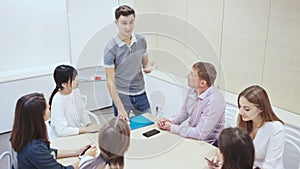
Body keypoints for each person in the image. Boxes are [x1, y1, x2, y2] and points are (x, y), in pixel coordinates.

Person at [10, 93, 93, 169]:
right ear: (39, 116)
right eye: (47, 107)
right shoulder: (34, 149)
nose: (49, 106)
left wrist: (77, 151)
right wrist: (86, 159)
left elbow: (48, 153)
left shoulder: (25, 134)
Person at [104, 5, 154, 121]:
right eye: (124, 23)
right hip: (121, 95)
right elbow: (109, 81)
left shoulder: (141, 40)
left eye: (131, 22)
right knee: (123, 132)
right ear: (116, 23)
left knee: (148, 124)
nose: (128, 27)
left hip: (140, 93)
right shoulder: (111, 48)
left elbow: (145, 61)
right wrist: (120, 108)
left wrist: (148, 66)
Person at [157, 62, 225, 145]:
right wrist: (170, 121)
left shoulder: (214, 100)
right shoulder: (192, 91)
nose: (187, 76)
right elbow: (183, 113)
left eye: (192, 74)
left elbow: (200, 134)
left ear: (202, 83)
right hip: (192, 138)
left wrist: (171, 127)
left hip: (208, 144)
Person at [237, 85, 285, 169]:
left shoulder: (276, 129)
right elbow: (230, 145)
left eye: (247, 109)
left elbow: (270, 166)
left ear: (261, 109)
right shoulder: (244, 120)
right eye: (240, 107)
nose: (241, 112)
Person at [49, 65, 100, 138]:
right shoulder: (58, 101)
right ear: (64, 84)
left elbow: (82, 111)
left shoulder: (75, 91)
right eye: (73, 78)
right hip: (63, 138)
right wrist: (86, 129)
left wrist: (89, 124)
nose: (77, 79)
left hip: (78, 132)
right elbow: (62, 131)